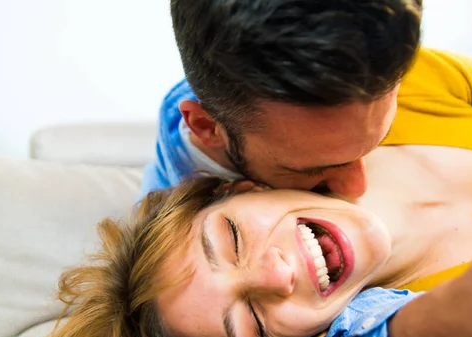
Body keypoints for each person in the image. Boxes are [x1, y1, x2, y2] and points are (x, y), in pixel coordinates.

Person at [30, 49, 472, 337]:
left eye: (232, 240)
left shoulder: (387, 97)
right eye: (253, 323)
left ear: (239, 187)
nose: (275, 277)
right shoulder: (375, 321)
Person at [142, 0, 423, 199]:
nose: (359, 188)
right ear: (205, 126)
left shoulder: (389, 60)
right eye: (315, 171)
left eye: (379, 140)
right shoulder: (174, 263)